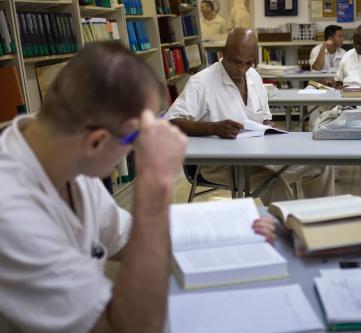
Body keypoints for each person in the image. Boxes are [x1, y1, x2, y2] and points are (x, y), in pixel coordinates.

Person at [0, 42, 275, 332]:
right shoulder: (12, 214)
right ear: (97, 142)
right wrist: (154, 184)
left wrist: (232, 232)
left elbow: (129, 238)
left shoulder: (63, 159)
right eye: (138, 138)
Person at [167, 28, 335, 205]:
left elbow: (264, 117)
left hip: (260, 156)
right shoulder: (201, 82)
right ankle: (288, 230)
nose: (241, 69)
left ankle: (320, 222)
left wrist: (268, 125)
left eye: (248, 63)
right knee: (273, 182)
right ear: (222, 53)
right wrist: (214, 128)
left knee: (320, 164)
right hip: (219, 165)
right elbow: (171, 123)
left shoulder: (253, 76)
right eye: (236, 62)